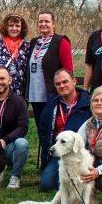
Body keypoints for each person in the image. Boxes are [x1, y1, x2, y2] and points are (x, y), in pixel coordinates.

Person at [37, 68, 90, 191]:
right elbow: (43, 130)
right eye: (58, 84)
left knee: (80, 182)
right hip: (59, 152)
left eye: (65, 82)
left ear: (74, 81)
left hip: (80, 153)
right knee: (46, 185)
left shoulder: (88, 103)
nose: (61, 85)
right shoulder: (51, 105)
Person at [26, 11, 74, 139]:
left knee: (53, 130)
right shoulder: (34, 42)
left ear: (54, 24)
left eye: (47, 21)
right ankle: (44, 151)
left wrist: (67, 92)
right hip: (35, 95)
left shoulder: (61, 41)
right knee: (41, 130)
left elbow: (68, 71)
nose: (43, 24)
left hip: (53, 95)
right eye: (40, 21)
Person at [0, 13, 31, 97]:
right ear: (6, 27)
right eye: (11, 25)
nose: (14, 28)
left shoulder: (27, 46)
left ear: (22, 28)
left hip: (20, 92)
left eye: (17, 26)